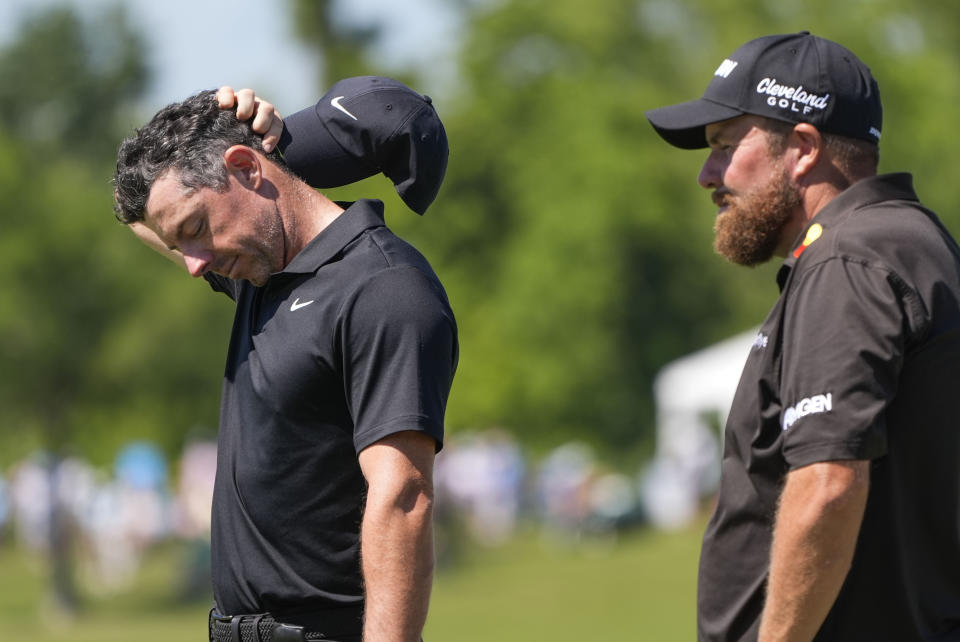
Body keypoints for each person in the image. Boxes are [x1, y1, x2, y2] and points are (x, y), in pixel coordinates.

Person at [113, 76, 459, 642]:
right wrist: (269, 139)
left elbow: (403, 497)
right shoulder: (257, 270)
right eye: (181, 245)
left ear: (248, 171)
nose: (193, 265)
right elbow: (137, 214)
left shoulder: (383, 289)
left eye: (197, 229)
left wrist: (272, 156)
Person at [645, 32, 960, 641]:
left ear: (803, 148)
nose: (707, 175)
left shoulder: (846, 260)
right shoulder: (915, 242)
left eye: (725, 146)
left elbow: (829, 484)